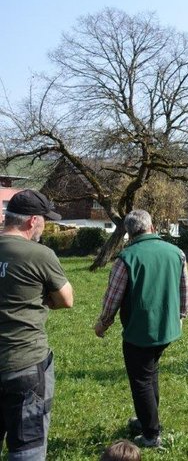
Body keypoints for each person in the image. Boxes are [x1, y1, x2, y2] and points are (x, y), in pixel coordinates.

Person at [94, 210, 188, 449]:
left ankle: (150, 434)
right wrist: (181, 315)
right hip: (166, 330)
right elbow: (186, 292)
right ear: (152, 227)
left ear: (129, 233)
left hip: (140, 332)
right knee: (150, 373)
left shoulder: (126, 258)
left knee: (141, 381)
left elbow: (113, 298)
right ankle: (148, 419)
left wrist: (103, 323)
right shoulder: (176, 252)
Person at [0, 190, 74, 460]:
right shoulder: (40, 254)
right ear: (33, 221)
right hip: (24, 362)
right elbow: (66, 300)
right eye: (45, 219)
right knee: (27, 448)